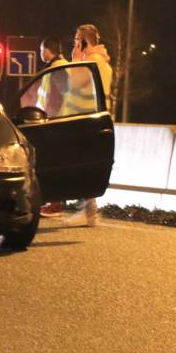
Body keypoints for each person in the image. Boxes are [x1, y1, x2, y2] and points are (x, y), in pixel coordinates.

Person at [62, 24, 112, 227]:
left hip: (85, 121)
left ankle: (89, 210)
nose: (74, 43)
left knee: (80, 164)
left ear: (84, 42)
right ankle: (89, 210)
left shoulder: (91, 62)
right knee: (85, 164)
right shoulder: (103, 63)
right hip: (94, 120)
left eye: (76, 40)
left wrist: (75, 59)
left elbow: (74, 83)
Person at [36, 36, 69, 218]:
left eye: (41, 50)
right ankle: (53, 202)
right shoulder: (59, 67)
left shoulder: (58, 69)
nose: (41, 53)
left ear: (48, 50)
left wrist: (52, 117)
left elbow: (63, 94)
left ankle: (55, 203)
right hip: (52, 119)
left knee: (53, 161)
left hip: (54, 120)